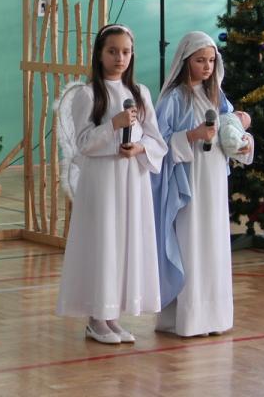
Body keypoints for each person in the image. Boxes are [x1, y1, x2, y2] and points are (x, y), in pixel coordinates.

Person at [55, 24, 167, 344]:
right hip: (102, 182)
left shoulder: (140, 93)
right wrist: (113, 126)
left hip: (132, 180)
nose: (120, 58)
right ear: (100, 54)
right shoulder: (88, 94)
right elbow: (82, 143)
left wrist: (140, 147)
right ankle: (96, 318)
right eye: (113, 51)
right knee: (103, 243)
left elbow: (157, 140)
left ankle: (113, 315)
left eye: (126, 52)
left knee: (124, 244)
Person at [151, 31, 253, 337]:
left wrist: (242, 143)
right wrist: (193, 135)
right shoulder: (173, 99)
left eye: (211, 60)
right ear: (186, 61)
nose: (207, 67)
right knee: (191, 242)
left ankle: (213, 318)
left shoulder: (217, 97)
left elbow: (231, 127)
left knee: (213, 243)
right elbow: (158, 143)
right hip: (188, 181)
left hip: (214, 179)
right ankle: (187, 318)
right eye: (200, 60)